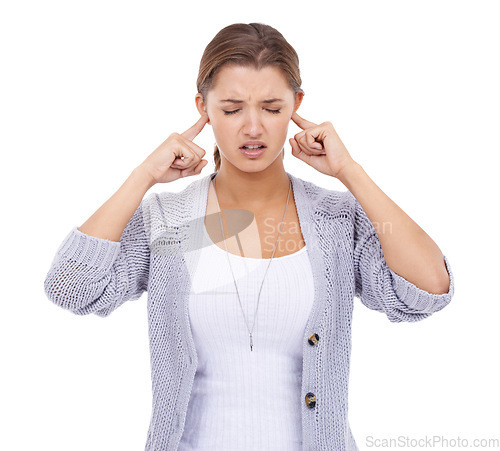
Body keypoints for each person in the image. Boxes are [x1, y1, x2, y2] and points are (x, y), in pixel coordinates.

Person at [44, 22, 455, 451]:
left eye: (272, 108)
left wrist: (350, 172)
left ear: (297, 105)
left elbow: (428, 289)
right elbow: (72, 288)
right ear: (203, 108)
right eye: (232, 108)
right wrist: (142, 176)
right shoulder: (173, 224)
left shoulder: (333, 223)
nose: (253, 127)